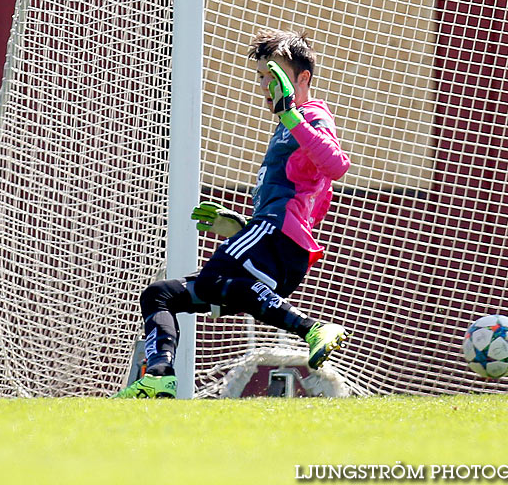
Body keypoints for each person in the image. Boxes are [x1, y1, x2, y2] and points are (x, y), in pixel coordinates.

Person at [116, 29, 351, 398]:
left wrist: (291, 118)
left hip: (278, 237)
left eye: (273, 76)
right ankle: (159, 376)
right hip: (272, 239)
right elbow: (315, 201)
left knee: (210, 280)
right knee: (161, 295)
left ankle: (312, 329)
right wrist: (243, 228)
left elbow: (336, 166)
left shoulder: (310, 116)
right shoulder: (288, 128)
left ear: (301, 78)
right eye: (260, 76)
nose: (264, 85)